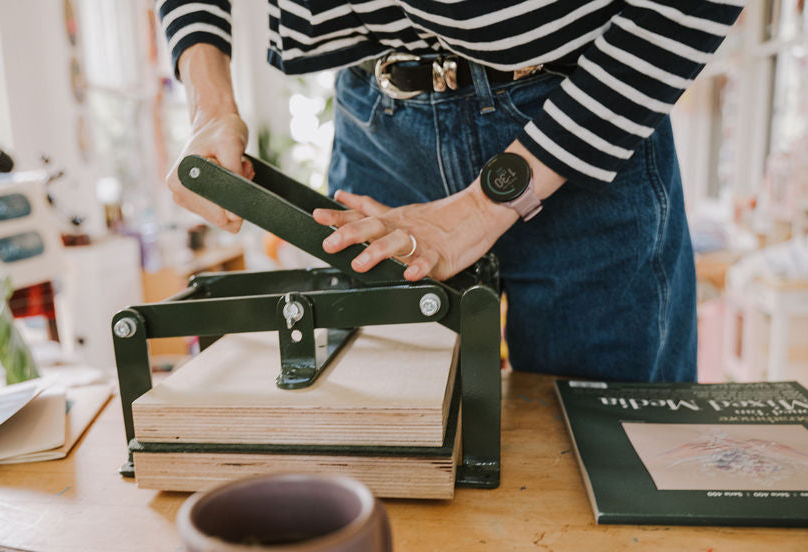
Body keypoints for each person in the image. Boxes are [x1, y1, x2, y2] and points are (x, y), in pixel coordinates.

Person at [157, 1, 744, 382]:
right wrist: (210, 105)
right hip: (376, 119)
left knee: (608, 448)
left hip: (575, 118)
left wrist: (486, 204)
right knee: (381, 432)